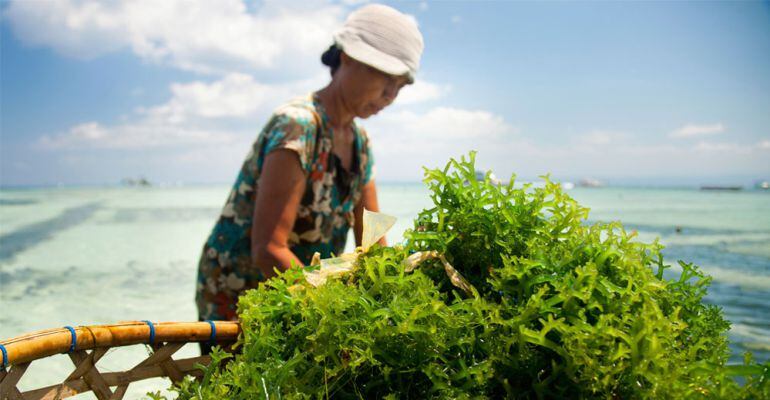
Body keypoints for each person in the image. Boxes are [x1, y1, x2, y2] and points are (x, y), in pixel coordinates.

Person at [195, 4, 424, 337]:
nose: (390, 96)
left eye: (400, 87)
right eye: (386, 79)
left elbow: (374, 247)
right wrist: (337, 312)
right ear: (347, 58)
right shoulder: (299, 126)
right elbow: (269, 250)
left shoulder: (360, 144)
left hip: (303, 296)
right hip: (240, 295)